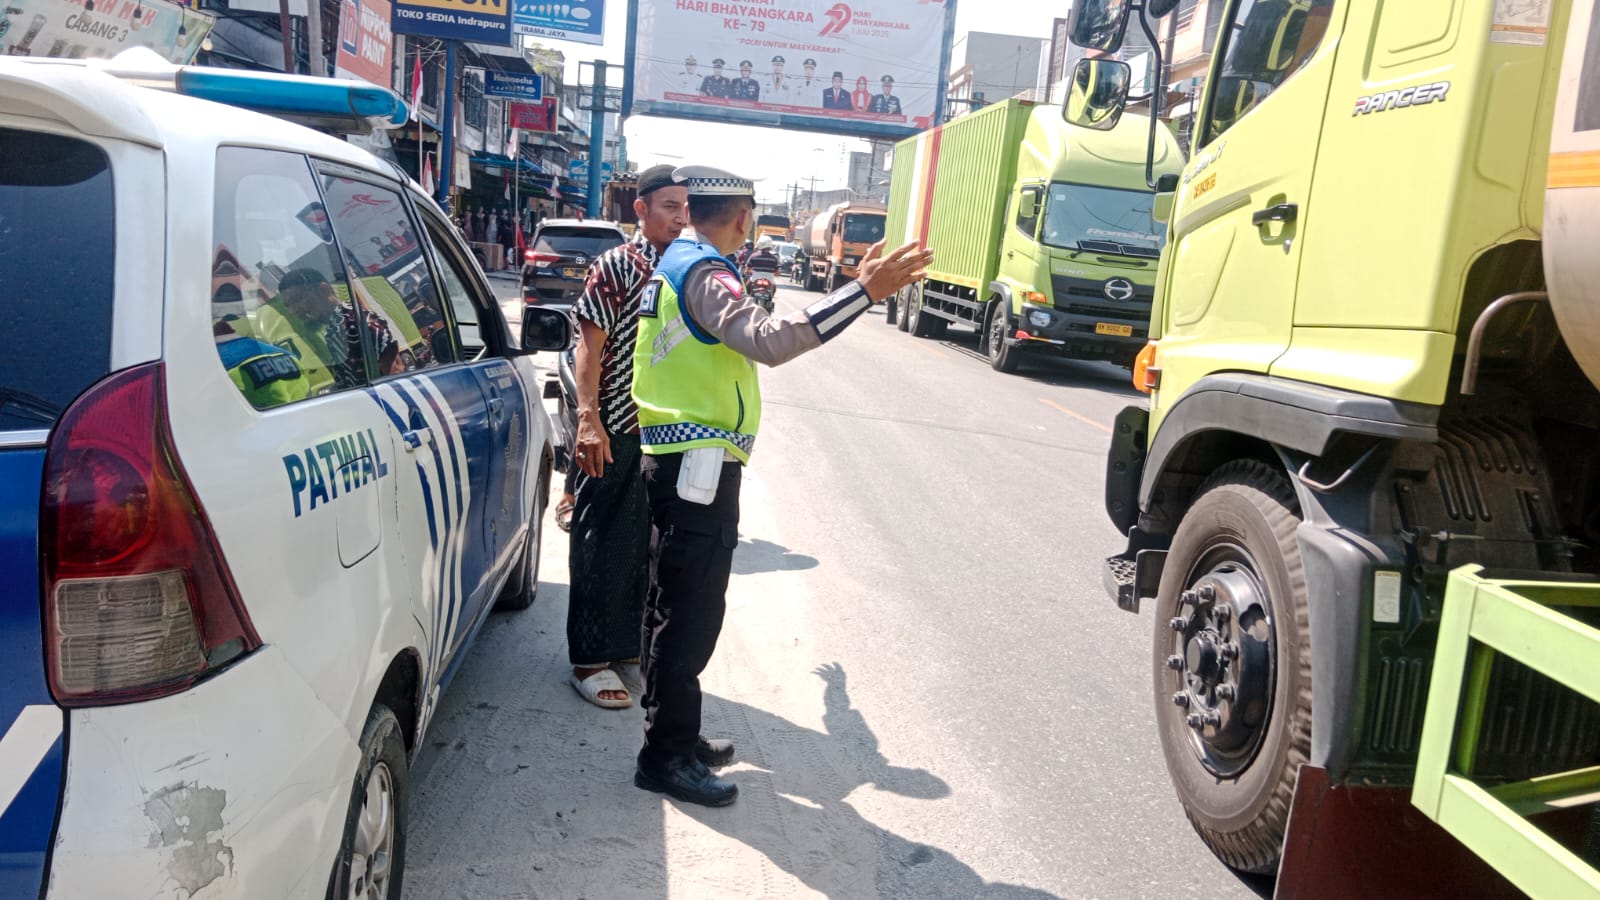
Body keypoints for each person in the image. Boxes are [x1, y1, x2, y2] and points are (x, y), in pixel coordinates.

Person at [628, 165, 932, 806]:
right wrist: (863, 293)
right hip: (696, 466)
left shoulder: (684, 260)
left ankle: (672, 735)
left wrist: (835, 698)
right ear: (742, 217)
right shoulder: (705, 271)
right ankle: (665, 755)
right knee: (689, 614)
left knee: (672, 604)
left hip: (683, 462)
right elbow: (767, 342)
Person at [566, 165, 690, 710]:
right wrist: (588, 418)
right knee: (598, 541)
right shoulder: (615, 267)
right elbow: (588, 349)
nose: (680, 217)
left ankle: (627, 648)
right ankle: (589, 658)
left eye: (686, 207)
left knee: (643, 546)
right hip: (613, 425)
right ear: (640, 209)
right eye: (669, 205)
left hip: (664, 433)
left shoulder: (687, 270)